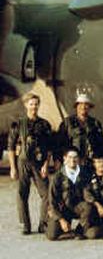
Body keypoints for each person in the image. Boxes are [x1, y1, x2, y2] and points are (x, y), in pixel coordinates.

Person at [7, 93, 52, 234]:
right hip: (23, 162)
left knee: (46, 193)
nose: (34, 107)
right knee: (22, 194)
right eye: (31, 104)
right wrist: (13, 167)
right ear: (26, 105)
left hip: (39, 163)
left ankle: (43, 224)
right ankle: (26, 225)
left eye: (36, 104)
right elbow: (11, 147)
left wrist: (46, 165)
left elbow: (49, 148)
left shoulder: (44, 125)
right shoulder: (18, 124)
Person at [47, 147, 93, 241]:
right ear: (65, 158)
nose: (73, 160)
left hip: (78, 207)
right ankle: (64, 229)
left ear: (79, 159)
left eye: (75, 157)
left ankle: (79, 231)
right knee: (52, 235)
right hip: (62, 209)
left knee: (88, 207)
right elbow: (52, 201)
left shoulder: (84, 173)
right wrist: (61, 220)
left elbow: (88, 193)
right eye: (70, 157)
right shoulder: (58, 176)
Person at [57, 93, 103, 167]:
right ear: (76, 106)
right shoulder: (67, 123)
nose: (83, 107)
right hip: (72, 163)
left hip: (91, 164)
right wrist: (60, 160)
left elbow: (101, 145)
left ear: (89, 107)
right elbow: (59, 144)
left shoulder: (95, 123)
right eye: (80, 104)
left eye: (86, 104)